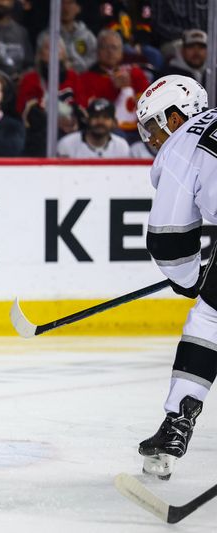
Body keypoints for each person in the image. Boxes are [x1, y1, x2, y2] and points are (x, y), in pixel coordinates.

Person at [132, 74, 213, 480]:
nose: (152, 138)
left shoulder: (182, 145)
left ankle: (177, 423)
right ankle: (175, 426)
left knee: (209, 321)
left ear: (177, 116)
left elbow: (169, 239)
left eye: (154, 126)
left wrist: (190, 280)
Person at [18, 33, 84, 156]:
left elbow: (81, 106)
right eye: (48, 48)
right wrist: (55, 121)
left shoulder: (73, 77)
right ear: (39, 54)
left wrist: (73, 119)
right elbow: (26, 110)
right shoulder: (30, 79)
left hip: (72, 129)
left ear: (64, 54)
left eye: (58, 48)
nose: (54, 51)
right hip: (42, 135)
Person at [78, 29, 150, 142]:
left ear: (121, 52)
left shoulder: (134, 72)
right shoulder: (85, 78)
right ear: (97, 52)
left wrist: (130, 88)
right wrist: (114, 90)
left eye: (114, 47)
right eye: (104, 47)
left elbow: (148, 102)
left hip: (139, 129)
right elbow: (92, 111)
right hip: (107, 132)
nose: (109, 52)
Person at [36, 0, 97, 74]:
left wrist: (76, 67)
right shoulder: (46, 37)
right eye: (62, 3)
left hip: (83, 81)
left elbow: (94, 59)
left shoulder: (88, 37)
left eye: (70, 3)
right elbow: (40, 62)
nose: (65, 7)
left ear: (78, 8)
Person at [57, 98, 129, 158]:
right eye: (96, 116)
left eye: (106, 117)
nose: (100, 121)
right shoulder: (67, 144)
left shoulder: (122, 146)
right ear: (87, 119)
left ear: (114, 122)